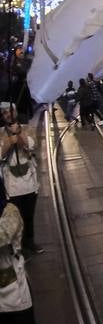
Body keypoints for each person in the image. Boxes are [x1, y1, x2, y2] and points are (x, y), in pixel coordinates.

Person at [1, 104, 40, 254]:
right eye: (4, 113)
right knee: (15, 217)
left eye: (10, 111)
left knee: (29, 216)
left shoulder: (27, 128)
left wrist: (19, 133)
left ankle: (30, 242)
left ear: (15, 112)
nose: (8, 115)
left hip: (29, 181)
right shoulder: (0, 133)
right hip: (11, 184)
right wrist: (9, 140)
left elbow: (31, 146)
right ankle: (17, 247)